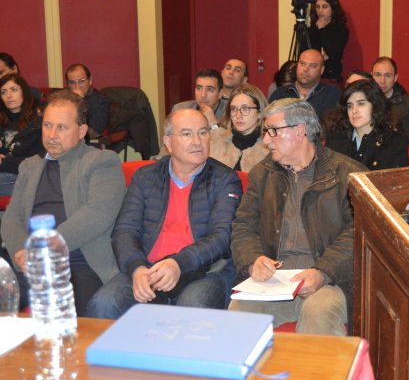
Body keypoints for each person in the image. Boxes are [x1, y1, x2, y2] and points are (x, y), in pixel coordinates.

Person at [87, 108, 242, 319]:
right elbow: (124, 230)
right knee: (104, 302)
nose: (197, 141)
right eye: (186, 134)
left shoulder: (225, 179)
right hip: (149, 269)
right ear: (168, 142)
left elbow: (223, 236)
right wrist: (136, 268)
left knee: (192, 308)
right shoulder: (145, 177)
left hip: (203, 271)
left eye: (203, 132)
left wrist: (178, 263)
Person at [229, 98, 366, 335]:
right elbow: (243, 226)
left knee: (318, 312)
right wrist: (252, 261)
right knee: (239, 310)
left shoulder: (348, 174)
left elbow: (359, 233)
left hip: (330, 280)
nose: (266, 140)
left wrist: (323, 272)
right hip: (276, 281)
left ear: (300, 131)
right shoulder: (263, 174)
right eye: (265, 132)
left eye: (273, 131)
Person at [1, 90, 125, 316]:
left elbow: (98, 213)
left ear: (82, 132)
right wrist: (21, 252)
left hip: (79, 264)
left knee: (68, 320)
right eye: (47, 126)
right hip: (30, 264)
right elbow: (12, 217)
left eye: (61, 127)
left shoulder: (101, 161)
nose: (52, 135)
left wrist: (44, 247)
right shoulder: (29, 166)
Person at [325, 79, 408, 170]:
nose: (354, 111)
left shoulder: (394, 141)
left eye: (361, 104)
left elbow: (396, 177)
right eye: (350, 105)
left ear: (375, 106)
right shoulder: (335, 138)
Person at [0, 74, 44, 195]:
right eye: (3, 92)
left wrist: (4, 162)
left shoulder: (38, 123)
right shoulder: (1, 120)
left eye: (14, 90)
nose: (9, 96)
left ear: (23, 92)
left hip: (24, 177)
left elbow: (38, 161)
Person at [210, 84, 269, 172]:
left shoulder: (270, 148)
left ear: (259, 113)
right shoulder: (215, 142)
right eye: (234, 109)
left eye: (245, 109)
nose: (238, 115)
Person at [269, 49, 340, 121]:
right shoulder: (280, 94)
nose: (305, 69)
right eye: (302, 64)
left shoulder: (332, 96)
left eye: (313, 66)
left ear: (322, 70)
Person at [372, 57, 409, 146]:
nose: (382, 81)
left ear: (395, 77)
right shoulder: (364, 101)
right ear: (371, 76)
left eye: (388, 75)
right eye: (378, 75)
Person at [303, 0, 349, 83]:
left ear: (332, 8)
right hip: (310, 76)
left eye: (325, 7)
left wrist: (323, 29)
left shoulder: (341, 30)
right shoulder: (310, 30)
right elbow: (304, 52)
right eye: (317, 7)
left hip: (331, 76)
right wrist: (320, 57)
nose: (320, 10)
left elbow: (334, 53)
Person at [65, 63, 111, 139]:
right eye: (72, 82)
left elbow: (94, 132)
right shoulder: (63, 99)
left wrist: (80, 101)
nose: (77, 86)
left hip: (87, 143)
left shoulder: (101, 101)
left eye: (81, 81)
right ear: (67, 85)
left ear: (90, 81)